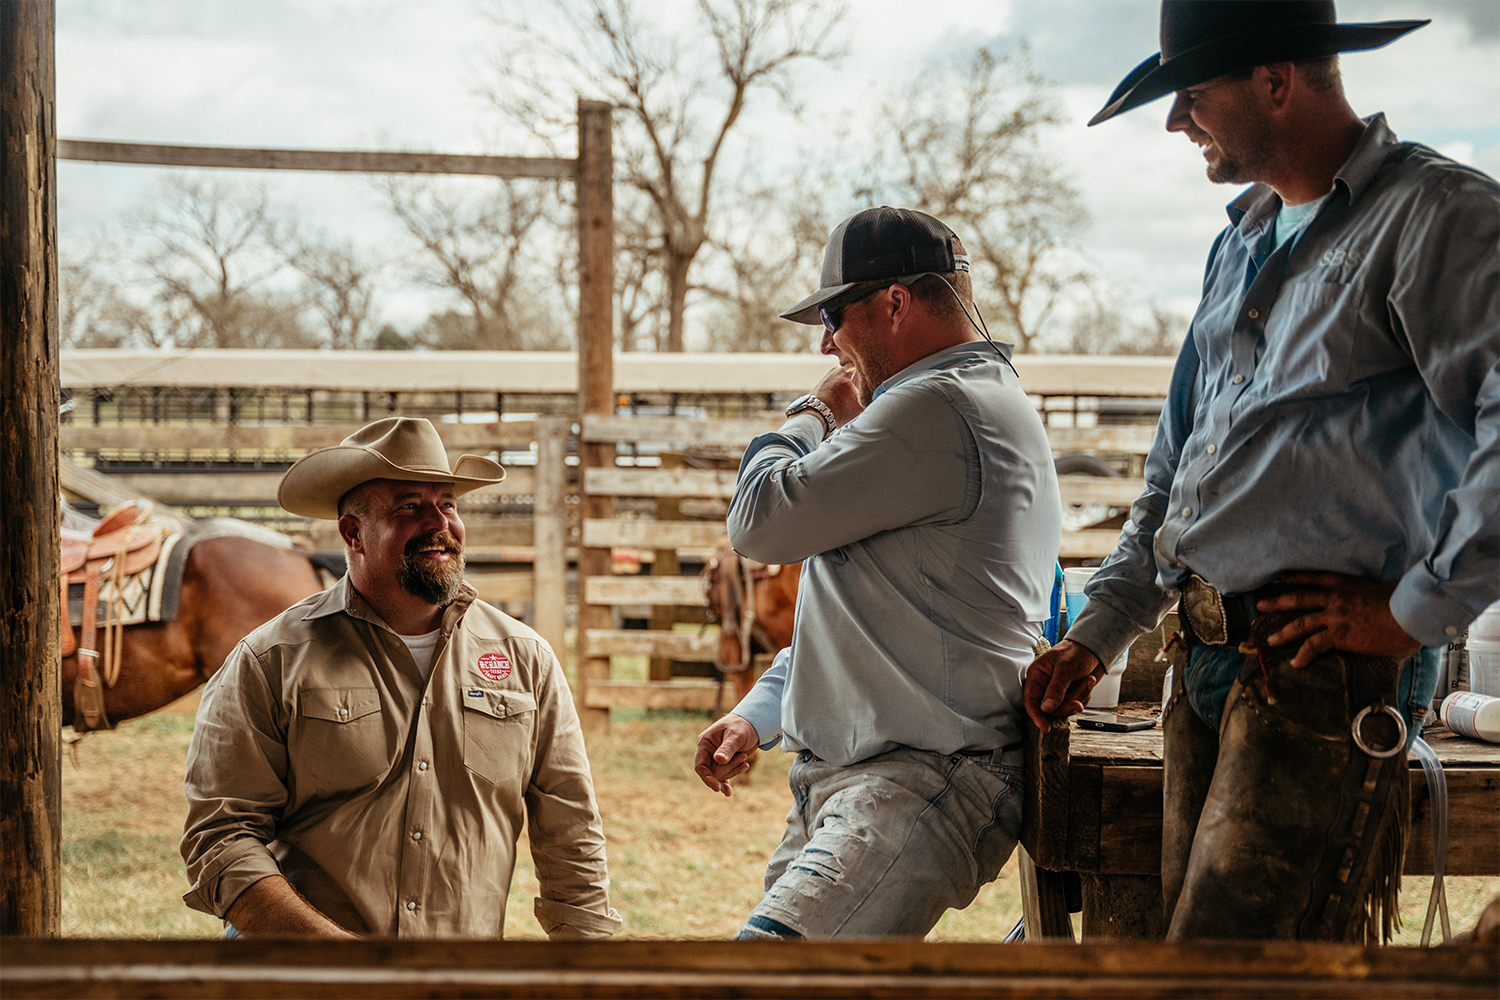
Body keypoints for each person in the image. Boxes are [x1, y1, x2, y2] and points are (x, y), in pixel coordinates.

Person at [1027, 0, 1498, 942]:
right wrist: (1101, 631)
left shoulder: (1435, 216)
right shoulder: (1241, 240)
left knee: (1240, 967)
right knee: (1207, 957)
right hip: (1205, 659)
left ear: (1276, 81)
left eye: (1192, 94)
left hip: (1321, 671)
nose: (1175, 120)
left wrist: (1409, 613)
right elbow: (1178, 470)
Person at [694, 207, 1062, 938]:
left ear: (894, 302)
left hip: (919, 777)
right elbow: (870, 617)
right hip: (884, 775)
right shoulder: (952, 403)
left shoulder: (936, 407)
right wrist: (757, 714)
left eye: (832, 315)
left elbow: (759, 521)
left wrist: (811, 414)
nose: (828, 344)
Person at [181, 417, 621, 939]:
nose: (440, 523)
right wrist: (339, 961)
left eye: (449, 504)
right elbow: (221, 837)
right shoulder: (271, 659)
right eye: (410, 506)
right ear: (353, 533)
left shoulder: (526, 660)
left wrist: (590, 970)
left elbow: (572, 837)